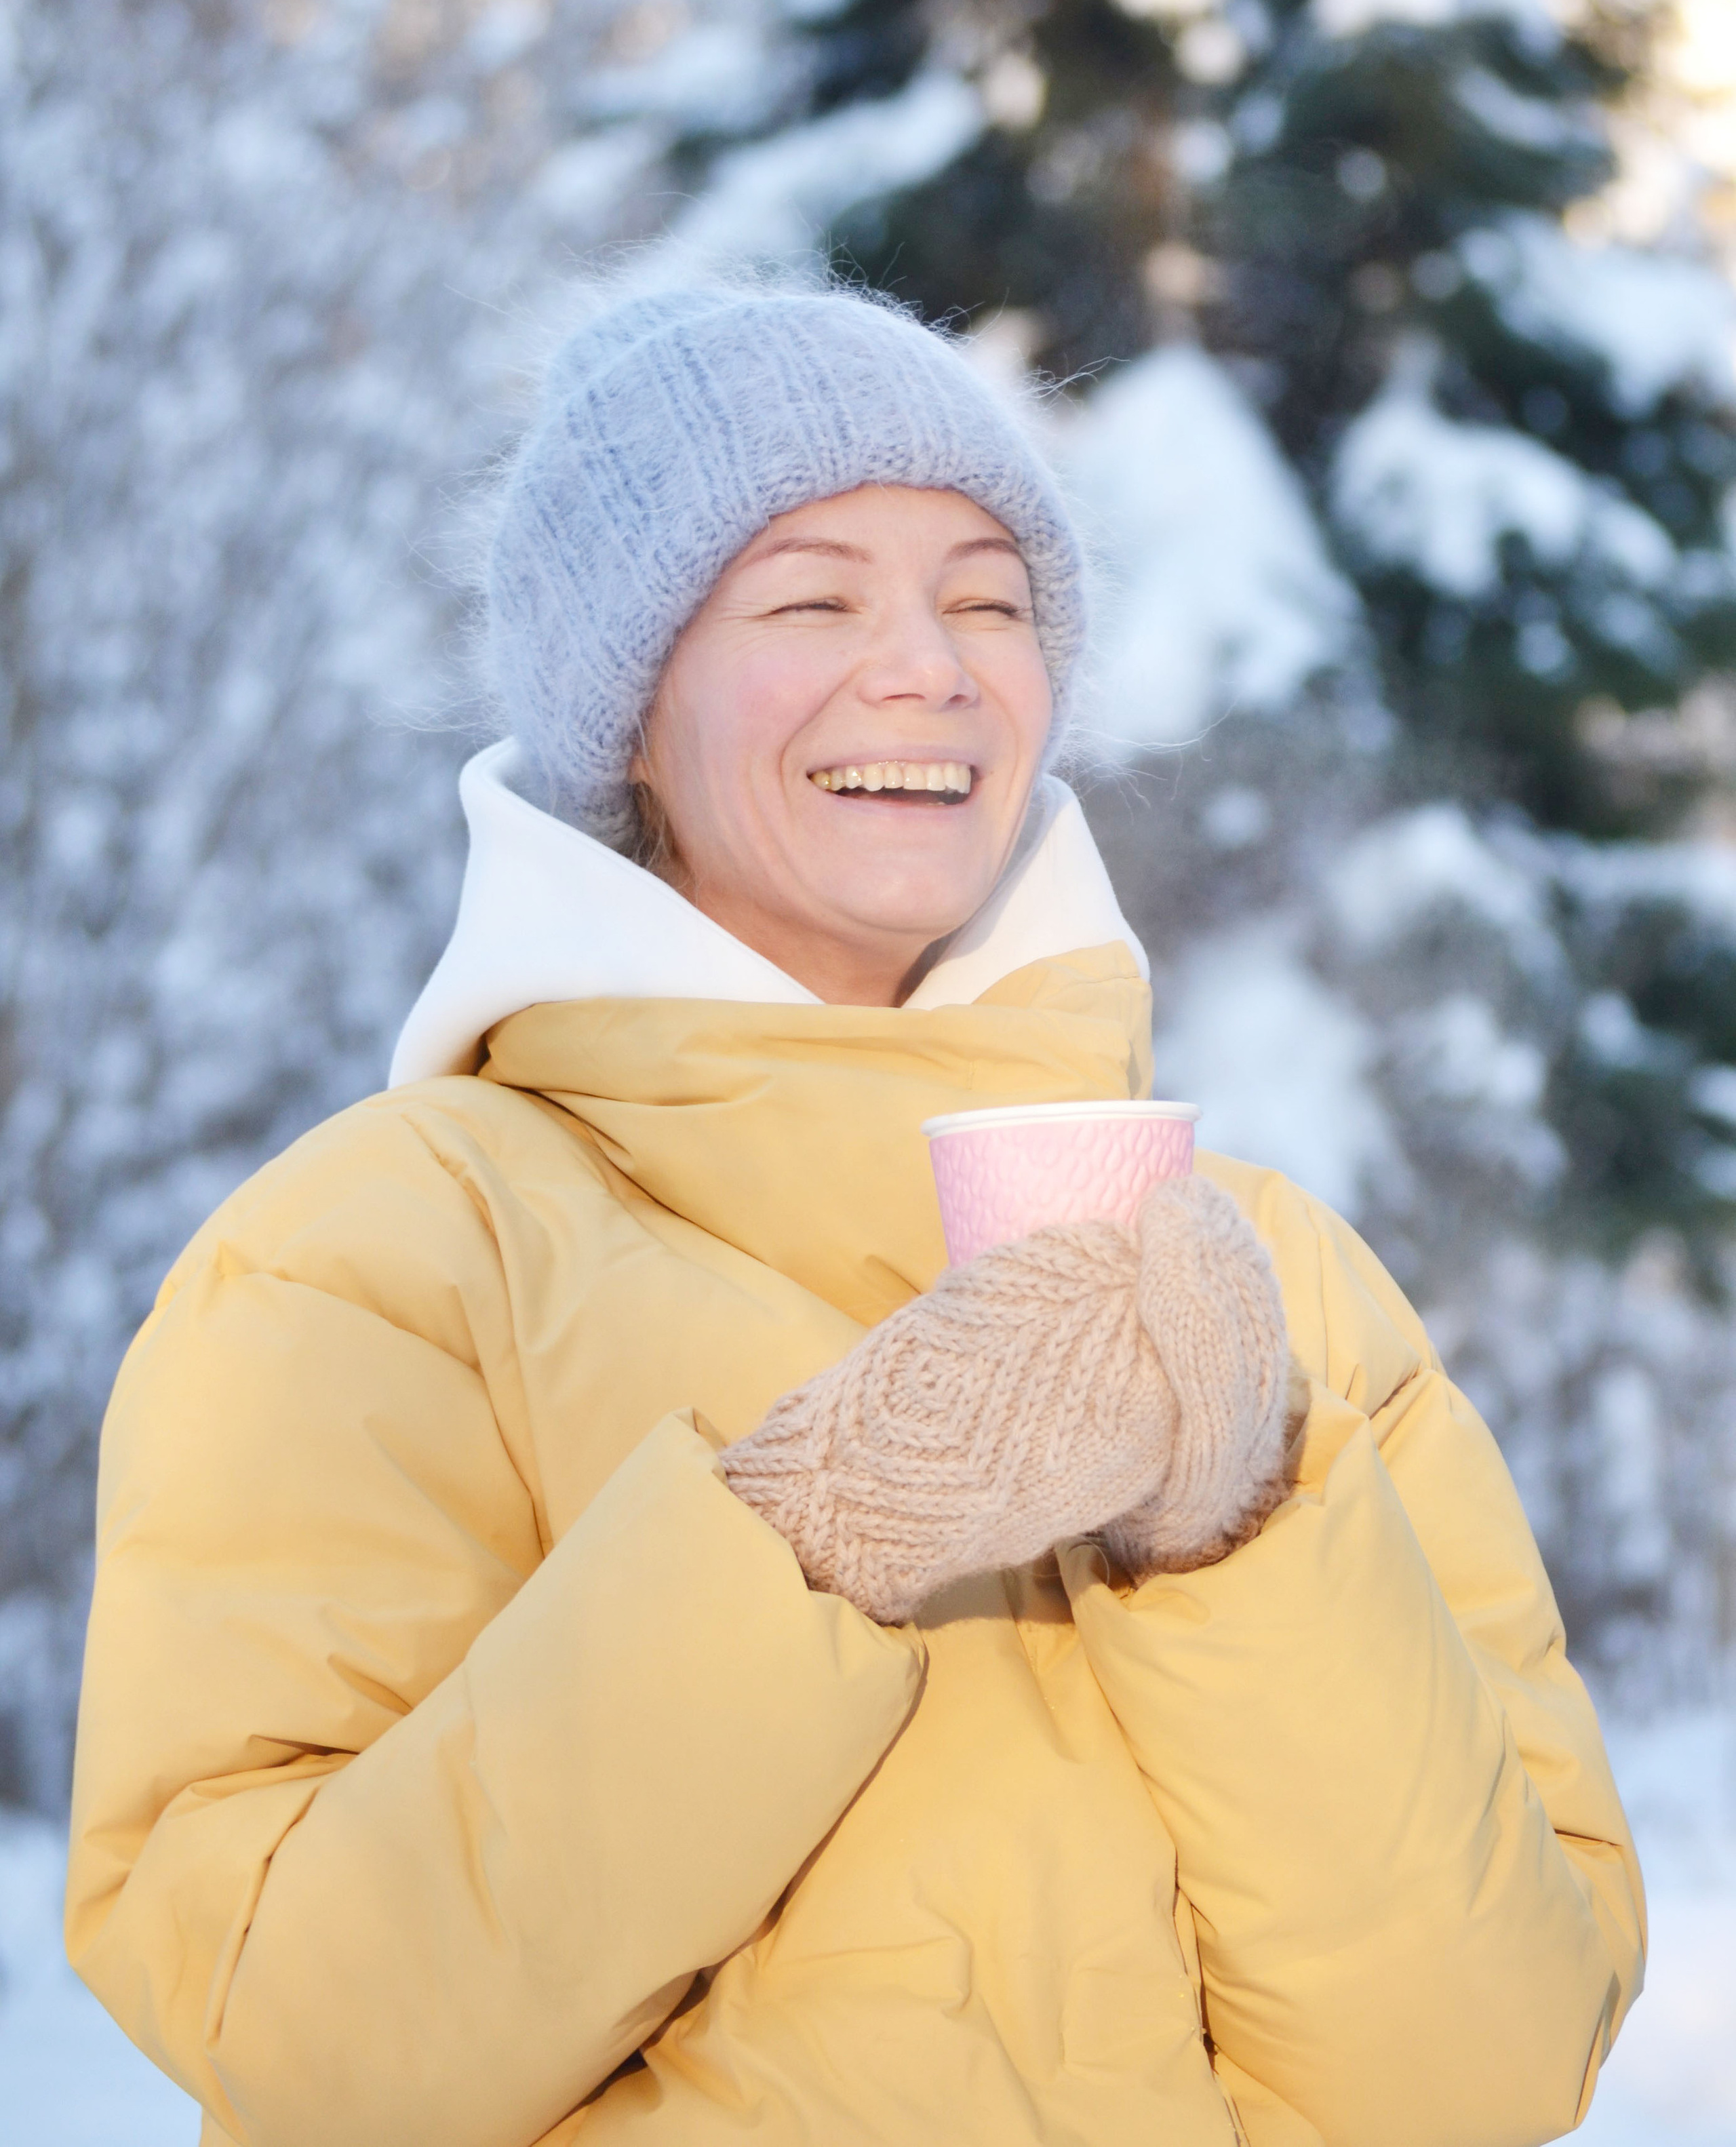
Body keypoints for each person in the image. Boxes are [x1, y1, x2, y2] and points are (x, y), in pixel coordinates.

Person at [68, 280, 1642, 2147]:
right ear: (628, 713)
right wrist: (822, 1527)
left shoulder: (1269, 1276)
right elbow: (306, 2047)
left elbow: (1487, 2076)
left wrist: (1238, 1548)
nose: (931, 665)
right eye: (812, 599)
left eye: (988, 600)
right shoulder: (376, 1258)